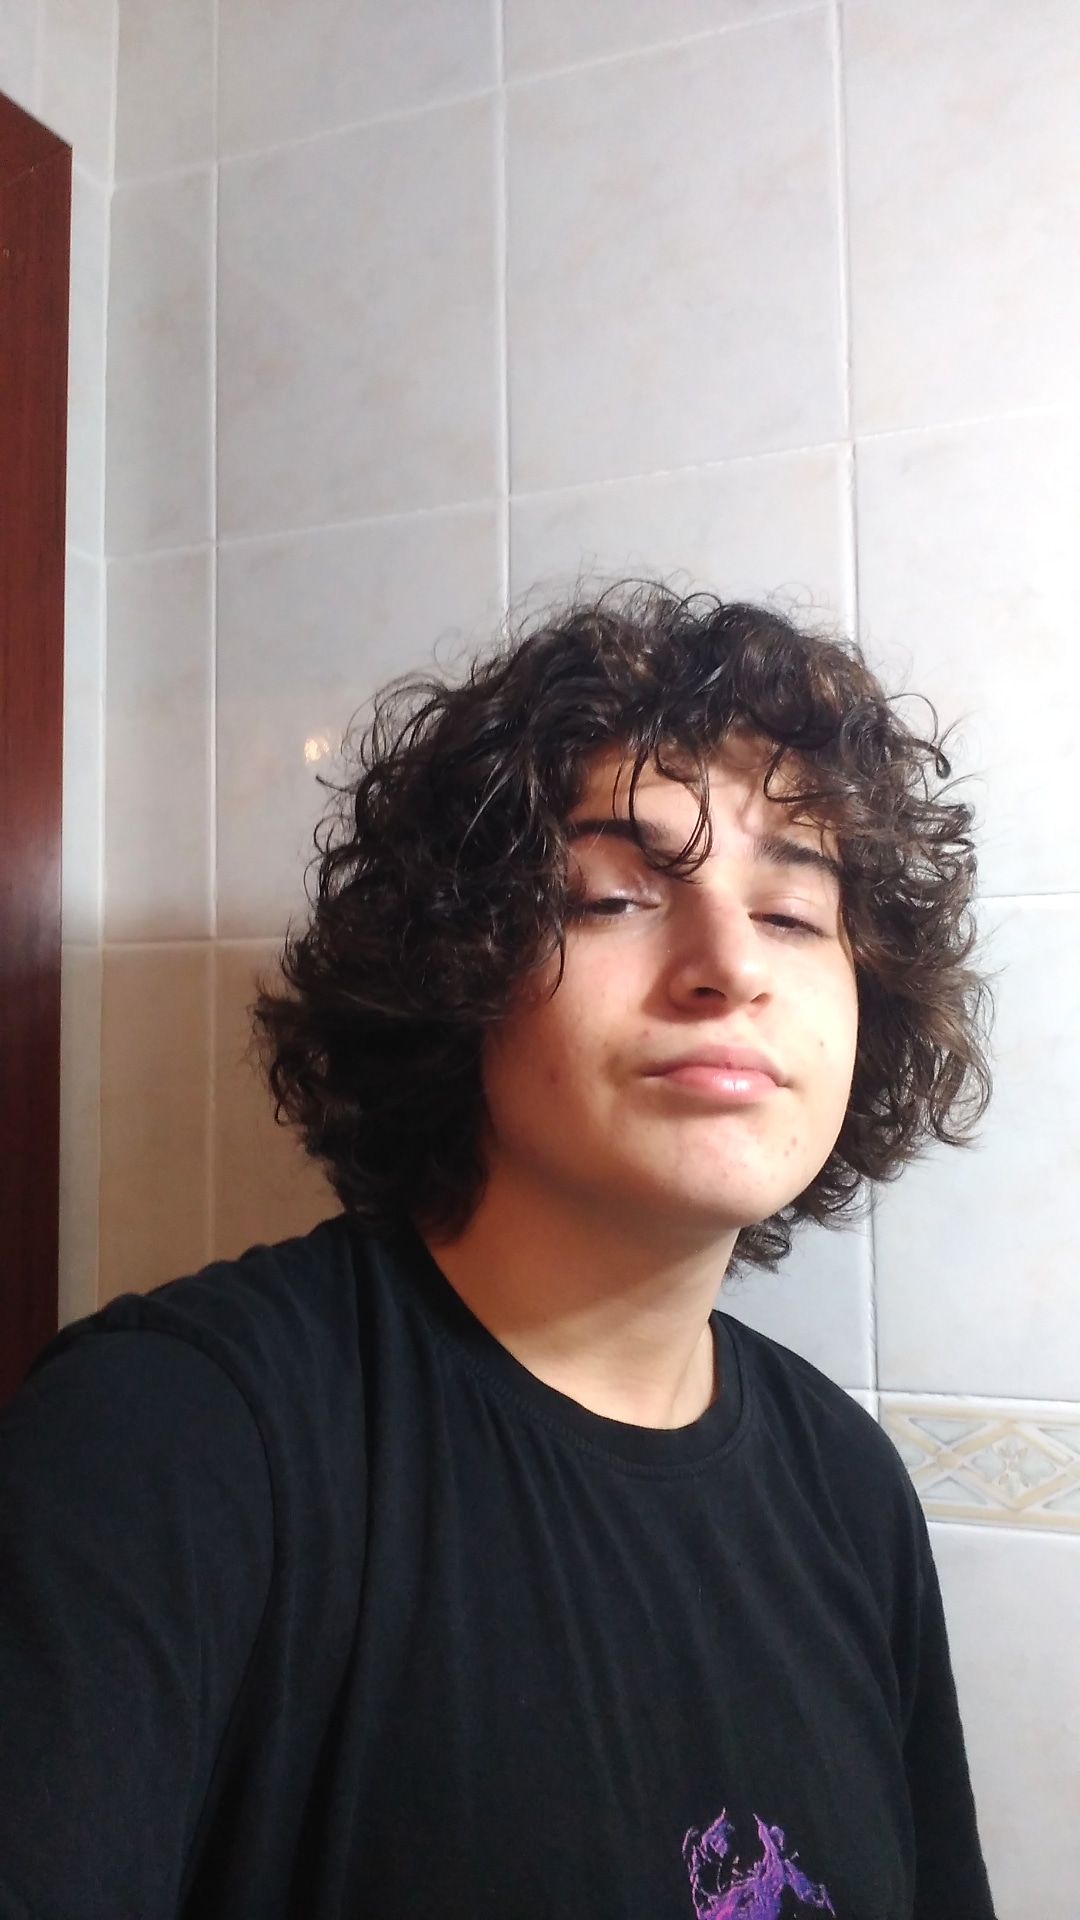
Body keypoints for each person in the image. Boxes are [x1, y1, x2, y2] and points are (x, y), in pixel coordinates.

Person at [0, 587, 996, 1920]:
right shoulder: (168, 1442)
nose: (729, 966)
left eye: (794, 916)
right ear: (456, 970)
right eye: (615, 896)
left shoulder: (851, 1492)